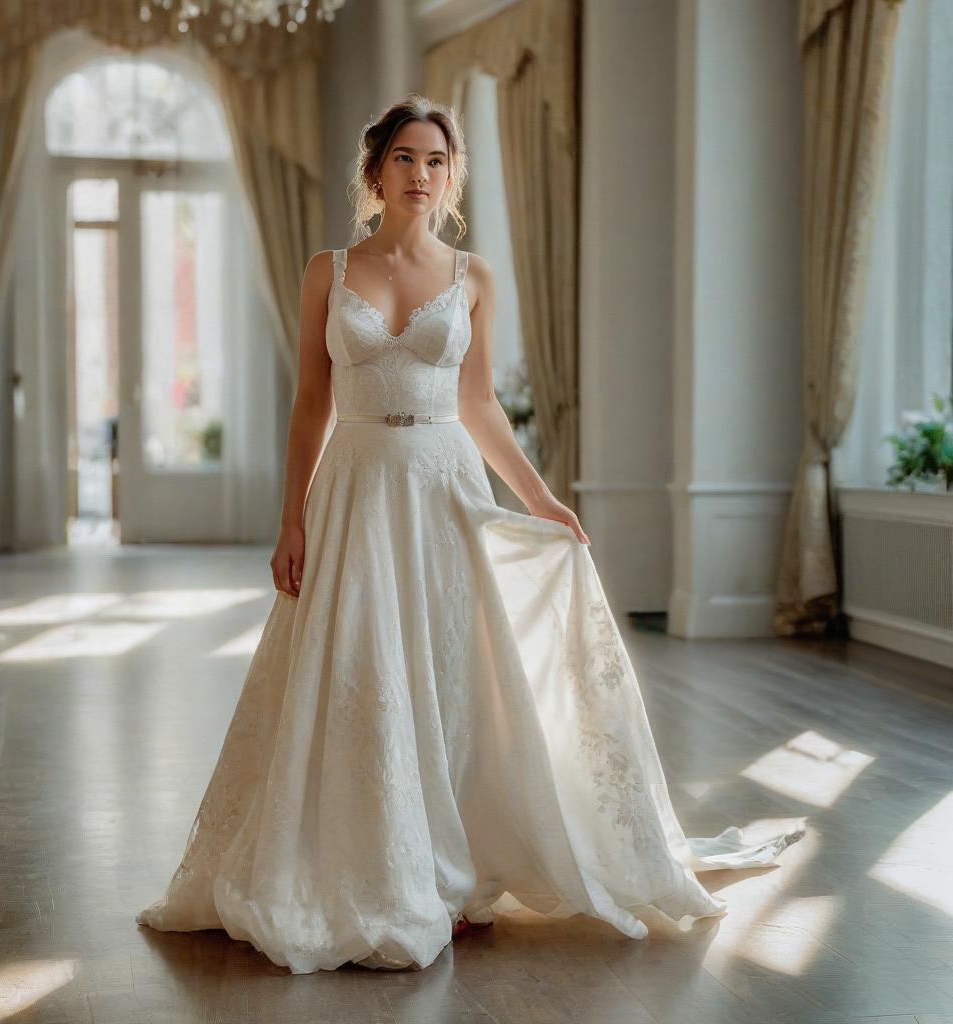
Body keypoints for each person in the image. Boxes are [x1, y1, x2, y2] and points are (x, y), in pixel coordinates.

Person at [135, 93, 805, 974]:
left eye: (437, 161)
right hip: (358, 490)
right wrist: (291, 518)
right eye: (406, 159)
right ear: (375, 173)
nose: (422, 174)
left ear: (452, 177)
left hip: (445, 487)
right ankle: (377, 863)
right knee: (362, 673)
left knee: (450, 677)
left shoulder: (473, 276)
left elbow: (478, 402)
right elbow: (310, 405)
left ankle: (451, 873)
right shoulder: (326, 269)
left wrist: (540, 499)